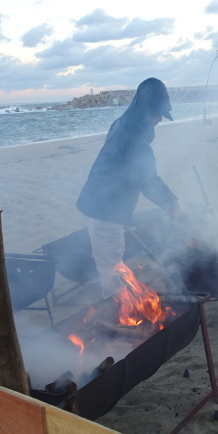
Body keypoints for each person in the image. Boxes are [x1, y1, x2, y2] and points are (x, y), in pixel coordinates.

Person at [76, 77, 184, 304]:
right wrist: (172, 203)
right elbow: (147, 179)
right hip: (103, 209)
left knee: (112, 261)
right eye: (159, 115)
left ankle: (121, 306)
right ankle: (120, 314)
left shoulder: (123, 123)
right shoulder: (134, 137)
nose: (159, 121)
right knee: (112, 269)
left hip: (101, 203)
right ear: (149, 110)